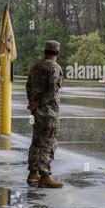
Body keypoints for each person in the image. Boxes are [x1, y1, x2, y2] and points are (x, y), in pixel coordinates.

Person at [26, 40, 64, 188]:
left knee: (36, 142)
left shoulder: (36, 66)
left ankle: (33, 173)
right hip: (49, 112)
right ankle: (45, 176)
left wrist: (32, 102)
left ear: (45, 52)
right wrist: (39, 103)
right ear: (57, 53)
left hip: (37, 112)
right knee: (48, 143)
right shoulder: (55, 67)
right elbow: (52, 89)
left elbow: (28, 84)